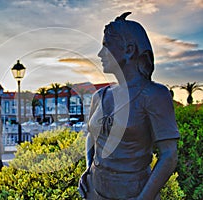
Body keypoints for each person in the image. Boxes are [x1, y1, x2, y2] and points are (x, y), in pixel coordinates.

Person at [78, 12, 180, 200]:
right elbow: (91, 136)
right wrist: (87, 168)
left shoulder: (154, 95)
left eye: (106, 47)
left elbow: (169, 155)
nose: (100, 54)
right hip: (94, 191)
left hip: (134, 194)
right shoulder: (100, 96)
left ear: (129, 50)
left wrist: (144, 198)